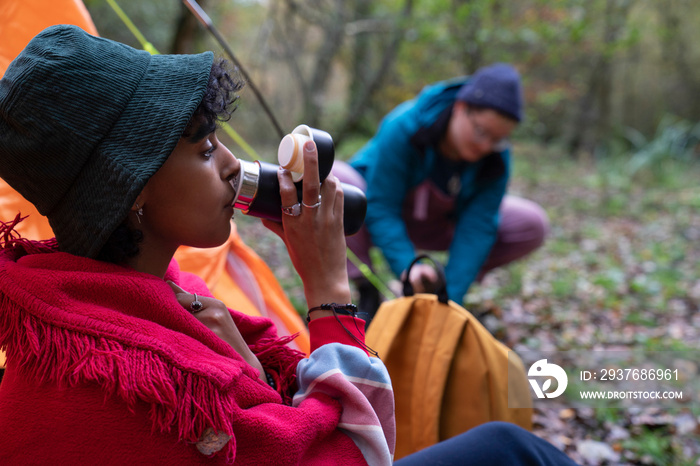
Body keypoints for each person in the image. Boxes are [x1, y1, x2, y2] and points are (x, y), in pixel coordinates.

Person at [0, 26, 577, 465]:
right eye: (204, 150)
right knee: (513, 451)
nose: (232, 166)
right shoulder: (150, 380)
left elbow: (264, 420)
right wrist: (328, 294)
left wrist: (249, 365)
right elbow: (356, 454)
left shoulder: (104, 297)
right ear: (129, 188)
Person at [334, 64, 550, 318]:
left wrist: (449, 299)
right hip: (371, 218)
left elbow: (478, 227)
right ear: (460, 108)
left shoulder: (497, 158)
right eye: (481, 132)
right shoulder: (404, 126)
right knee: (336, 181)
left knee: (531, 222)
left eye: (497, 139)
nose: (486, 145)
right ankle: (367, 291)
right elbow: (381, 206)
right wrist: (406, 265)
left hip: (440, 225)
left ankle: (437, 287)